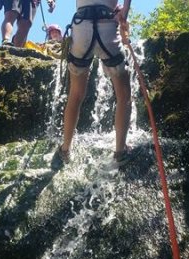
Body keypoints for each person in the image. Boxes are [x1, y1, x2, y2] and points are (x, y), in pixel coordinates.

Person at [51, 0, 132, 171]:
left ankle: (65, 149)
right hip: (107, 26)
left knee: (76, 95)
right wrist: (123, 14)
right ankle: (120, 151)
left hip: (81, 27)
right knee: (123, 95)